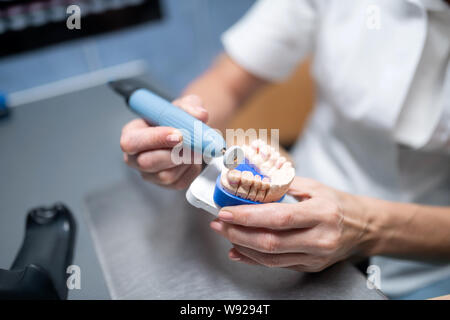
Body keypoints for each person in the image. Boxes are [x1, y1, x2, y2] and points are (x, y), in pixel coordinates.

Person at [119, 0, 450, 299]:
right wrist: (184, 127)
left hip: (424, 265)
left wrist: (369, 227)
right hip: (296, 213)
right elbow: (228, 82)